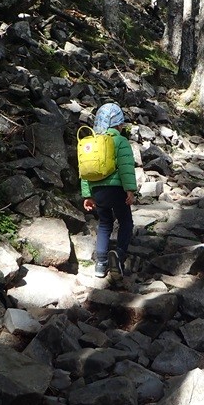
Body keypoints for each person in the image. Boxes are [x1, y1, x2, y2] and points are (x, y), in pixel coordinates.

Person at [81, 103, 137, 278]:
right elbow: (125, 167)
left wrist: (87, 195)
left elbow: (84, 171)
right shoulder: (120, 141)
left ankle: (100, 263)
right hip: (117, 190)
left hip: (98, 191)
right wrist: (130, 190)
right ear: (118, 124)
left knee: (105, 224)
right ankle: (118, 257)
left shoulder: (92, 143)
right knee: (126, 222)